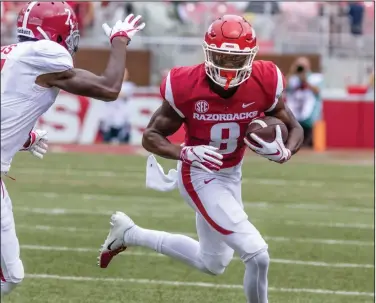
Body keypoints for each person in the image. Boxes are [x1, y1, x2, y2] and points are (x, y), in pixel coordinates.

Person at [98, 15, 303, 303]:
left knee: (213, 263)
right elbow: (150, 136)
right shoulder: (185, 84)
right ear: (207, 52)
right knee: (257, 254)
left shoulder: (265, 79)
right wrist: (184, 152)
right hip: (198, 173)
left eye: (236, 59)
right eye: (222, 57)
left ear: (251, 57)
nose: (228, 67)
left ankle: (130, 234)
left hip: (231, 173)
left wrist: (285, 152)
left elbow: (295, 128)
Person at [0, 1, 145, 296]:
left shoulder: (12, 54)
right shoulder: (47, 53)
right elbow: (109, 88)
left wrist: (22, 138)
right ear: (55, 32)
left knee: (10, 274)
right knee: (10, 274)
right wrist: (119, 40)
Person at [285, 57, 323, 147]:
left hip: (309, 114)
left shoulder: (315, 78)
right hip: (294, 112)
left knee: (308, 143)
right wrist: (292, 71)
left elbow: (317, 91)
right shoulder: (292, 78)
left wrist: (305, 80)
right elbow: (283, 86)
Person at [100, 68, 135, 144]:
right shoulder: (110, 85)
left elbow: (119, 94)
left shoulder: (129, 86)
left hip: (122, 117)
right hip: (109, 116)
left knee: (123, 140)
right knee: (106, 140)